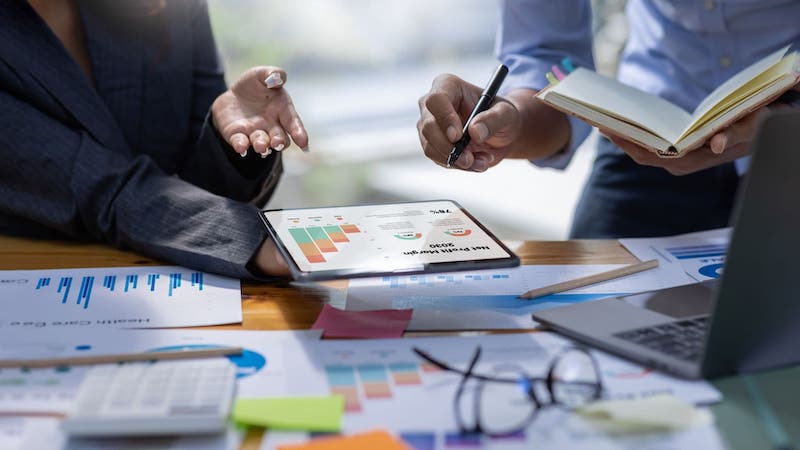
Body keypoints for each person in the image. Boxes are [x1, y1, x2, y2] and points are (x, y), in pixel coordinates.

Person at [417, 0, 800, 238]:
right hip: (649, 132)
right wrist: (510, 120)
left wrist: (786, 110)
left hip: (790, 128)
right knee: (575, 322)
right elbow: (549, 56)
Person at [0, 0, 305, 278]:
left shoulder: (173, 8)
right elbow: (100, 188)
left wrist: (238, 143)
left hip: (183, 287)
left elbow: (200, 194)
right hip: (39, 284)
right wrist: (254, 242)